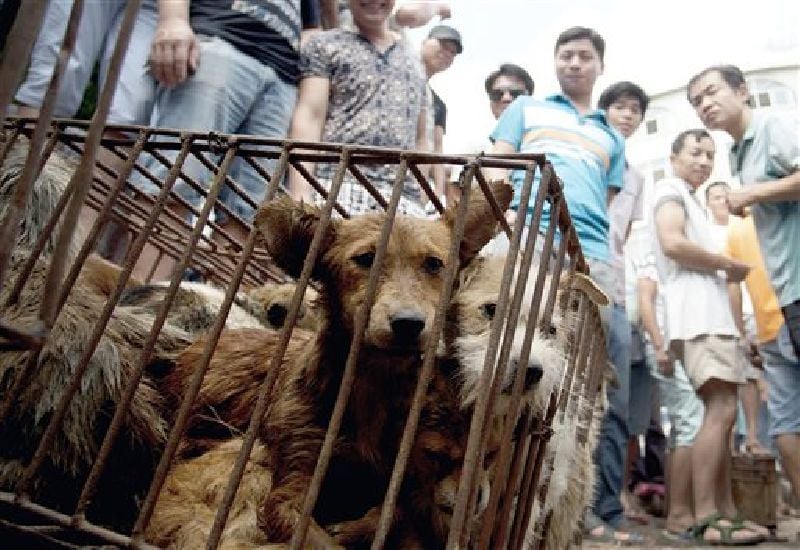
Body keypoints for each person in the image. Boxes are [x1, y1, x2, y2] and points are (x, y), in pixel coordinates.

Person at [483, 27, 636, 544]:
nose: (575, 63)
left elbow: (607, 198)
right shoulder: (525, 108)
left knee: (588, 380)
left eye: (585, 56)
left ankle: (573, 509)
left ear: (599, 65)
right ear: (555, 62)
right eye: (566, 55)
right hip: (526, 232)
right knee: (511, 357)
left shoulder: (610, 136)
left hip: (591, 252)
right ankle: (495, 493)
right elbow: (501, 165)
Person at [131, 0, 322, 281]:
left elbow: (310, 28)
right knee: (174, 180)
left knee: (250, 210)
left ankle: (221, 315)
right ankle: (136, 304)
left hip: (283, 77)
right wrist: (173, 19)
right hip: (222, 40)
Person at [688, 64, 800, 503]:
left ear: (742, 90)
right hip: (787, 292)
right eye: (697, 101)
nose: (705, 105)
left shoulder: (772, 126)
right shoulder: (736, 154)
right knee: (787, 421)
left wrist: (752, 194)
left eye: (712, 92)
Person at [651, 128, 764, 544]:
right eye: (696, 152)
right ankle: (707, 516)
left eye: (710, 155)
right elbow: (672, 242)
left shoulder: (689, 196)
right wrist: (726, 265)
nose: (703, 161)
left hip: (709, 318)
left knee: (725, 412)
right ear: (674, 154)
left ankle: (725, 512)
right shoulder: (669, 188)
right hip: (698, 318)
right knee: (718, 410)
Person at [287, 0, 428, 217]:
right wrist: (300, 194)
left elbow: (420, 137)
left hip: (403, 199)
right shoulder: (324, 44)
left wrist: (420, 194)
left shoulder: (415, 59)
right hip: (337, 186)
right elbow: (310, 116)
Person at [598, 80, 653, 526]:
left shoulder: (637, 177)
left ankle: (607, 508)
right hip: (573, 276)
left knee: (615, 404)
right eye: (620, 107)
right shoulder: (588, 152)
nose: (627, 115)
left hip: (615, 289)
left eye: (635, 110)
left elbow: (627, 240)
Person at [725, 213, 800, 501]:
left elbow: (733, 285)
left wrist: (742, 333)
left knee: (786, 421)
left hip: (767, 327)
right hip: (792, 311)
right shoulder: (788, 211)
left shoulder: (738, 230)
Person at [636, 236, 705, 541]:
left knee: (684, 426)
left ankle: (678, 510)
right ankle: (678, 515)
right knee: (689, 423)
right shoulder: (654, 256)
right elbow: (645, 300)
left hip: (678, 345)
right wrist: (660, 345)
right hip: (666, 347)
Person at [705, 180, 769, 456]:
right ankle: (729, 444)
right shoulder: (706, 234)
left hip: (758, 309)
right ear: (708, 203)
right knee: (730, 380)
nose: (722, 201)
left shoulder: (750, 226)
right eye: (716, 197)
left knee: (757, 378)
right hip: (721, 314)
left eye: (725, 196)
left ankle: (754, 436)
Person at [419, 24, 462, 201]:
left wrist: (436, 191)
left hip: (413, 187)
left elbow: (437, 149)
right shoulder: (390, 74)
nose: (447, 54)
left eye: (453, 52)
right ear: (424, 42)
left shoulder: (438, 104)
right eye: (443, 45)